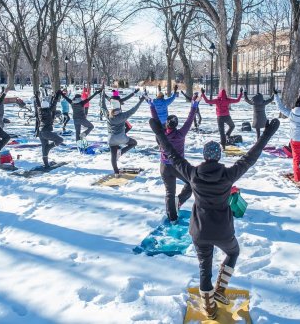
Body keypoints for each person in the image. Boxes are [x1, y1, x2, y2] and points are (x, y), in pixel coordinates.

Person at [148, 117, 280, 319]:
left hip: (200, 231)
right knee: (233, 253)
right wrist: (266, 135)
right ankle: (220, 289)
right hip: (223, 231)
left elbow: (172, 154)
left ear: (204, 157)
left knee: (204, 268)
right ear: (218, 157)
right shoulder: (228, 175)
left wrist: (159, 131)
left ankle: (209, 306)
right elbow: (250, 158)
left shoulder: (193, 174)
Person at [150, 94, 199, 223]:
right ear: (176, 125)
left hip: (165, 167)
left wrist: (151, 106)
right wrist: (194, 105)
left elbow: (155, 120)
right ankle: (180, 200)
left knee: (169, 193)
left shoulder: (161, 134)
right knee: (191, 182)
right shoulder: (181, 134)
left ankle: (172, 218)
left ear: (166, 124)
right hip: (178, 166)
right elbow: (189, 120)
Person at [100, 89, 144, 174]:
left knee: (113, 156)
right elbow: (133, 110)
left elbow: (102, 106)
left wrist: (102, 93)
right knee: (134, 143)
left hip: (111, 139)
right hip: (122, 138)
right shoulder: (123, 115)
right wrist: (140, 101)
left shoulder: (107, 115)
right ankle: (121, 152)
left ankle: (116, 172)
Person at [34, 90, 64, 167]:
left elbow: (38, 104)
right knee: (60, 140)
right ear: (47, 106)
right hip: (46, 132)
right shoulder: (48, 111)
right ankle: (49, 147)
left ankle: (46, 164)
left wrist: (37, 96)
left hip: (40, 132)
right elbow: (54, 104)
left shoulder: (39, 110)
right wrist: (57, 95)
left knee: (44, 147)